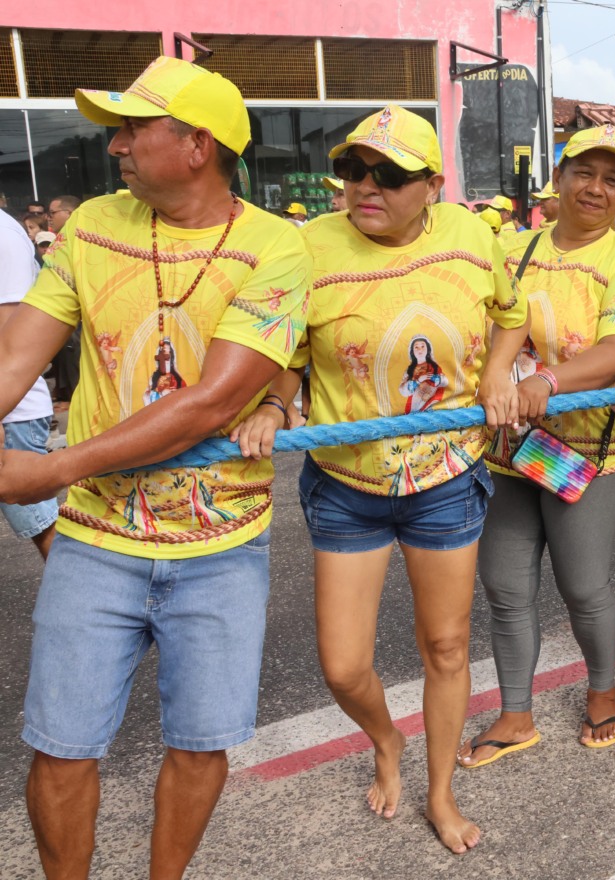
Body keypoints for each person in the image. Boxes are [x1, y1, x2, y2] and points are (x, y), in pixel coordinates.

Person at [0, 56, 311, 878]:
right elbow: (13, 359)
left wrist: (54, 467)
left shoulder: (273, 247)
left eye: (135, 127)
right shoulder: (95, 225)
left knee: (200, 743)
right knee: (61, 748)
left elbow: (212, 405)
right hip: (98, 540)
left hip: (221, 546)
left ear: (198, 145)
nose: (117, 145)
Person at [231, 104, 523, 853]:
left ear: (431, 186)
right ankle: (385, 740)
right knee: (342, 665)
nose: (365, 186)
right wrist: (272, 401)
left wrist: (496, 373)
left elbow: (511, 315)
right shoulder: (308, 246)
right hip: (345, 483)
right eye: (353, 169)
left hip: (447, 475)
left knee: (447, 647)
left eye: (388, 175)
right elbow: (284, 349)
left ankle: (440, 790)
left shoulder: (471, 236)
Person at [463, 126, 615, 768]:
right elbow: (487, 323)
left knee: (583, 585)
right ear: (560, 175)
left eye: (611, 179)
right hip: (511, 450)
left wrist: (547, 380)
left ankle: (601, 689)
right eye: (583, 172)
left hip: (589, 456)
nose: (595, 188)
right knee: (504, 585)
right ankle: (516, 713)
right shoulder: (513, 249)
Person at [0, 209, 58, 560]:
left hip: (13, 414)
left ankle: (81, 609)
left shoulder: (3, 236)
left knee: (43, 526)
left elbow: (10, 337)